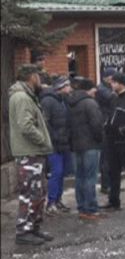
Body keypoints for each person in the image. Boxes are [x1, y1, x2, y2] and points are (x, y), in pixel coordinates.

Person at [9, 64, 54, 245]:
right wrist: (43, 140)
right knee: (29, 193)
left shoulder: (27, 95)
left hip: (34, 152)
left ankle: (34, 227)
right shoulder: (21, 97)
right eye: (38, 75)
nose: (40, 79)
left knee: (39, 192)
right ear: (30, 77)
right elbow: (26, 126)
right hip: (29, 153)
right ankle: (24, 230)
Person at [68, 77, 104, 220]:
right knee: (90, 178)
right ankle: (91, 208)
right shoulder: (90, 103)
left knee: (80, 177)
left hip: (76, 145)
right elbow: (97, 124)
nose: (95, 93)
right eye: (94, 90)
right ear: (89, 89)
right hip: (90, 145)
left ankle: (82, 207)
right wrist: (100, 139)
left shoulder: (71, 103)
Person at [102, 72, 125, 210]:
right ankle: (113, 200)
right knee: (113, 172)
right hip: (112, 140)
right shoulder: (114, 98)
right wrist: (107, 125)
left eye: (113, 82)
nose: (111, 85)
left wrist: (124, 130)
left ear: (120, 83)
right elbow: (110, 115)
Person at [40, 76, 73, 216]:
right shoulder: (48, 101)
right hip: (54, 144)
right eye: (68, 85)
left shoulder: (63, 100)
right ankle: (51, 202)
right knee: (56, 172)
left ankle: (58, 200)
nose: (70, 88)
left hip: (64, 142)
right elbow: (45, 123)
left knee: (62, 173)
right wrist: (54, 138)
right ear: (61, 87)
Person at [96, 68, 117, 195]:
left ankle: (111, 184)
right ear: (107, 78)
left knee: (111, 158)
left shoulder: (106, 88)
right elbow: (111, 98)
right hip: (105, 124)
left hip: (109, 123)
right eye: (112, 78)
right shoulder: (102, 89)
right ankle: (106, 185)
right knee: (106, 158)